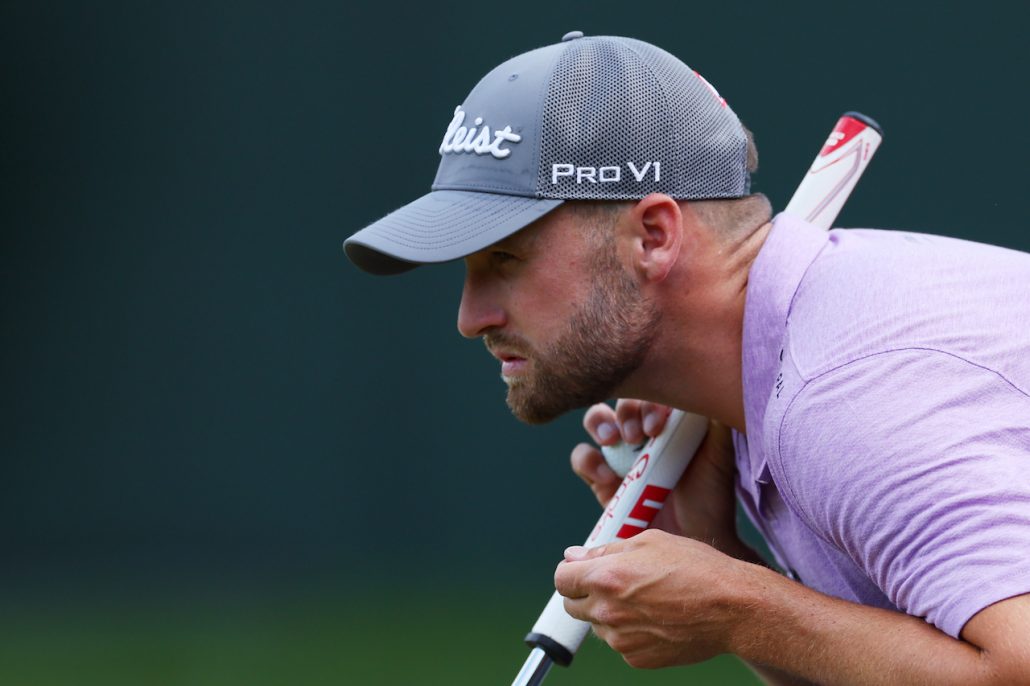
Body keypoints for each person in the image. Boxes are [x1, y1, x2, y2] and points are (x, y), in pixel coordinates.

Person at [344, 32, 1030, 684]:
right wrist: (720, 559)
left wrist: (742, 606)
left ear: (652, 235)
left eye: (506, 260)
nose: (471, 318)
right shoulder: (776, 382)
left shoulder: (839, 397)